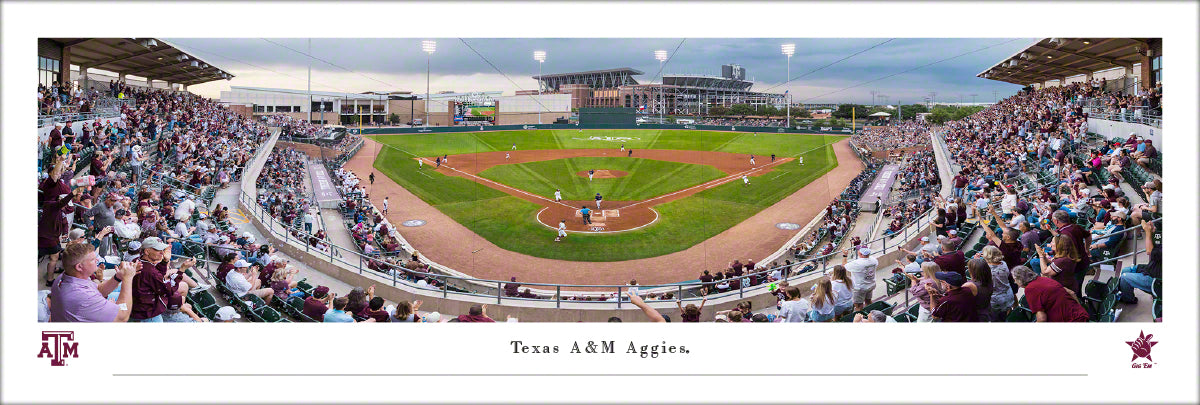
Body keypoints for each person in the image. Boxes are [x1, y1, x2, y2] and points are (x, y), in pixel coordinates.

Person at [50, 243, 136, 322]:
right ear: (79, 267)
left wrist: (118, 277)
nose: (97, 260)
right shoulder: (83, 296)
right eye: (92, 259)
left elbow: (99, 289)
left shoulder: (66, 277)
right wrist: (128, 278)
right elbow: (122, 317)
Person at [1011, 265, 1089, 322]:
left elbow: (1041, 318)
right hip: (1081, 314)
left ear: (1020, 279)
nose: (1014, 282)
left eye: (1015, 279)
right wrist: (1079, 308)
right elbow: (1072, 293)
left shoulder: (1030, 289)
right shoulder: (1044, 279)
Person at [1117, 220, 1160, 304]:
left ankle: (1129, 300)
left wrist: (1147, 232)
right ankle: (1125, 294)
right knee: (1125, 270)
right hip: (1151, 269)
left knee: (1125, 278)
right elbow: (1155, 246)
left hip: (1157, 279)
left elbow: (1149, 251)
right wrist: (1152, 232)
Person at [981, 246, 1015, 320]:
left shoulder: (988, 271)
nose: (982, 255)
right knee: (1008, 315)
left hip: (997, 300)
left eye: (983, 254)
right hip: (1008, 293)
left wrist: (978, 262)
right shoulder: (1003, 263)